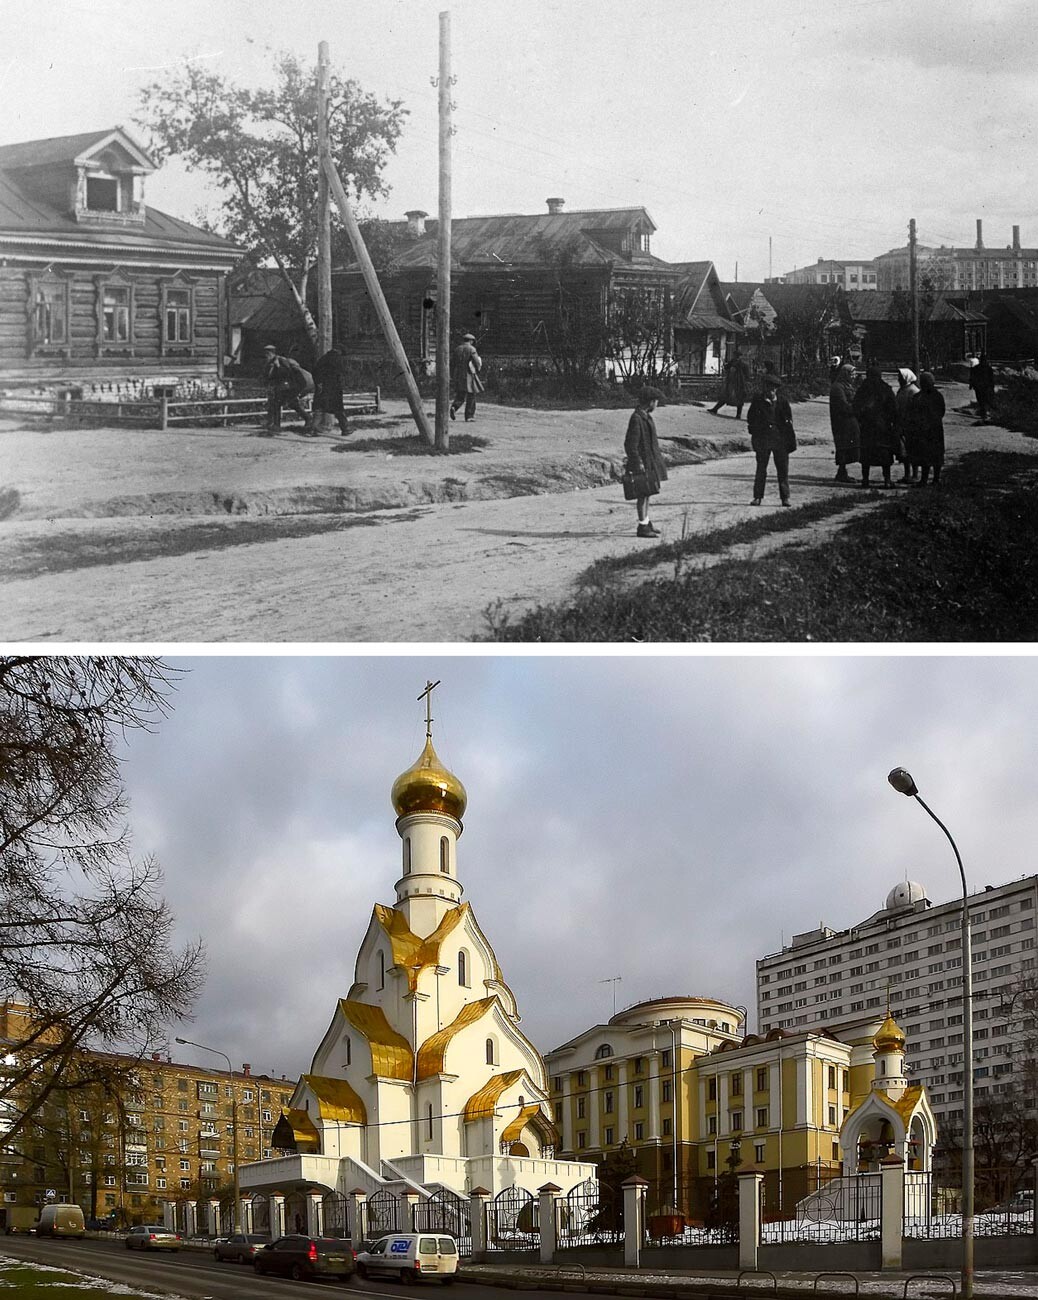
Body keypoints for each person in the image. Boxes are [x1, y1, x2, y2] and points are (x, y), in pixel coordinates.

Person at [623, 385, 668, 538]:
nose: (657, 405)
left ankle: (646, 521)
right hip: (641, 463)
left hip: (649, 461)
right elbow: (630, 444)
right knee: (643, 493)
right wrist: (638, 463)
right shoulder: (637, 418)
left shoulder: (645, 416)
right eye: (656, 402)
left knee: (648, 492)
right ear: (650, 402)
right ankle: (642, 527)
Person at [746, 372, 796, 506]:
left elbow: (789, 420)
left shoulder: (782, 401)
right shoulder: (758, 400)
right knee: (761, 469)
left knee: (783, 470)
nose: (771, 390)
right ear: (764, 388)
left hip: (780, 440)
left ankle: (785, 497)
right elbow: (750, 417)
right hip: (763, 440)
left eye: (774, 388)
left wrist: (787, 437)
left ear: (777, 389)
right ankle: (757, 497)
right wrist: (756, 430)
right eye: (768, 387)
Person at [852, 364, 899, 488]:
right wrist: (892, 422)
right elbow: (894, 409)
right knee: (885, 454)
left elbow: (855, 407)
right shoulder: (886, 389)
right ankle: (887, 481)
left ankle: (865, 480)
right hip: (883, 428)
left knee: (866, 454)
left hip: (867, 427)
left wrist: (860, 420)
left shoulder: (862, 389)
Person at [262, 344, 314, 434]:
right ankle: (307, 418)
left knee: (277, 403)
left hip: (290, 387)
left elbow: (288, 373)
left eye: (267, 354)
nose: (266, 356)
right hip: (283, 387)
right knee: (291, 404)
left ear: (272, 353)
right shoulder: (270, 363)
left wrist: (278, 366)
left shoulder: (281, 361)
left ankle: (276, 425)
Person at [909, 371, 946, 487]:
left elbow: (914, 413)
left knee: (925, 456)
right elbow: (942, 411)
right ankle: (936, 479)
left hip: (924, 430)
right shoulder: (938, 396)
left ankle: (924, 480)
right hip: (936, 429)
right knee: (936, 455)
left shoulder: (918, 397)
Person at [828, 362, 860, 483]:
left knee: (847, 446)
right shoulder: (837, 387)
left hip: (848, 421)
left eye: (854, 374)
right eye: (852, 374)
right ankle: (841, 473)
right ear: (845, 374)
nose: (853, 376)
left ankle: (842, 472)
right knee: (843, 446)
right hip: (841, 422)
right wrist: (857, 408)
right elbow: (843, 405)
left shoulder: (847, 385)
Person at [312, 346, 351, 436]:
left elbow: (315, 371)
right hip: (333, 388)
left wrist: (318, 383)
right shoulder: (336, 359)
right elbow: (340, 374)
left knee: (320, 407)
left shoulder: (324, 358)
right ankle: (345, 428)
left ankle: (314, 429)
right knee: (338, 408)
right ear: (340, 352)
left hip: (322, 387)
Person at [449, 332, 483, 421]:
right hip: (469, 374)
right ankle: (469, 416)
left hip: (458, 375)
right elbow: (476, 362)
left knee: (460, 394)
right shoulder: (472, 349)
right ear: (471, 341)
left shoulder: (457, 349)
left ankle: (454, 407)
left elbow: (452, 363)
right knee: (471, 395)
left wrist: (452, 375)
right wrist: (478, 369)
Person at [894, 368, 921, 482]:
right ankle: (907, 475)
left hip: (911, 424)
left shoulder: (914, 391)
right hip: (902, 424)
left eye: (900, 377)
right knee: (904, 451)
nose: (899, 379)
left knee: (913, 450)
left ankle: (915, 475)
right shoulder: (902, 390)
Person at [708, 348, 751, 418]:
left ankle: (738, 414)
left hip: (739, 384)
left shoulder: (743, 365)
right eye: (735, 355)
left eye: (737, 355)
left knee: (739, 398)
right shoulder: (732, 362)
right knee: (726, 396)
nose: (735, 357)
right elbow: (726, 368)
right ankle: (715, 409)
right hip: (730, 383)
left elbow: (747, 375)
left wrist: (744, 382)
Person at [969, 351, 996, 422]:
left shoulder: (976, 368)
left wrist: (971, 385)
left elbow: (972, 377)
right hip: (986, 386)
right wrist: (992, 386)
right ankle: (984, 412)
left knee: (980, 399)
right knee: (985, 399)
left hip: (978, 387)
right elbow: (991, 379)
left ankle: (983, 412)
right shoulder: (988, 368)